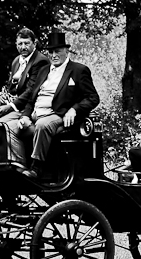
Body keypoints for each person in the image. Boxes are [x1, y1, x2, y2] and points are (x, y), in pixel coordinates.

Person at [14, 31, 99, 178]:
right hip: (36, 113)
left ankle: (36, 168)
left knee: (43, 125)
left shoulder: (79, 71)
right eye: (50, 52)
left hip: (59, 114)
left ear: (66, 51)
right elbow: (31, 100)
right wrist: (25, 116)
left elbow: (93, 98)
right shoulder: (43, 70)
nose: (53, 55)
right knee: (9, 126)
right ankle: (16, 166)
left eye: (57, 51)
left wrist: (74, 109)